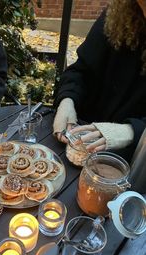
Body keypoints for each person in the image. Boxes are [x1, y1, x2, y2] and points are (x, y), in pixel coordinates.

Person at [53, 0, 146, 161]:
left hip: (131, 162)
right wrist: (67, 100)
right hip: (82, 142)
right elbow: (81, 70)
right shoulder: (117, 14)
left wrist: (134, 131)